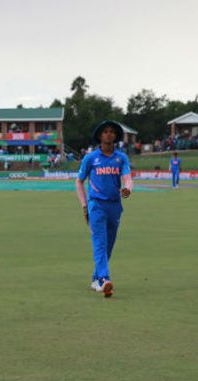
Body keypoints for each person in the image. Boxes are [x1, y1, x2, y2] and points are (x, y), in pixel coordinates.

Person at [75, 120, 133, 298]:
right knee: (100, 242)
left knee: (109, 245)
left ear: (115, 136)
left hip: (114, 206)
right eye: (105, 132)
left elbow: (128, 178)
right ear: (100, 136)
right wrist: (85, 206)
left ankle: (95, 277)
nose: (109, 134)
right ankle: (104, 279)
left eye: (112, 132)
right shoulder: (91, 158)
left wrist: (128, 189)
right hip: (96, 205)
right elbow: (79, 181)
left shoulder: (121, 158)